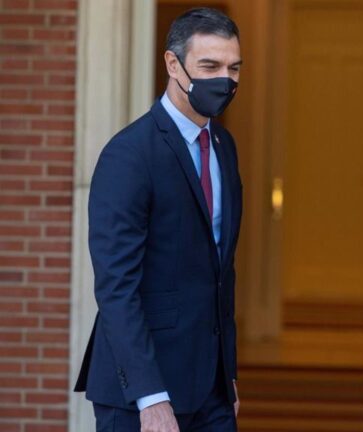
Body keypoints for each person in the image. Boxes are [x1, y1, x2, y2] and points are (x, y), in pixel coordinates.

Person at [74, 8, 244, 431]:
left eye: (234, 67)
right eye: (210, 66)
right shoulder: (129, 155)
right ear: (173, 64)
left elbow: (221, 271)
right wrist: (151, 399)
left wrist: (229, 373)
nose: (225, 79)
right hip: (144, 398)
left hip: (212, 391)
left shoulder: (224, 145)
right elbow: (117, 287)